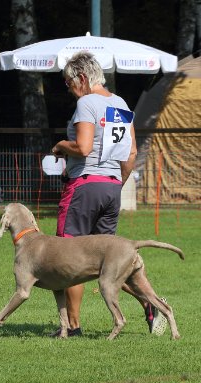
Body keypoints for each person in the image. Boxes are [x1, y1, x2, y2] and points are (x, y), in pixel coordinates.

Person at [50, 51, 166, 337]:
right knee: (111, 261)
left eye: (69, 83)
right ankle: (152, 305)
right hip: (112, 187)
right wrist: (116, 183)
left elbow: (83, 148)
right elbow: (131, 153)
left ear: (81, 78)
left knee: (68, 256)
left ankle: (72, 328)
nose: (69, 89)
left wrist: (61, 145)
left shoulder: (86, 103)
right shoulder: (120, 104)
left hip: (83, 187)